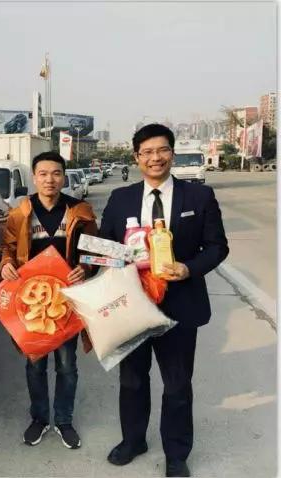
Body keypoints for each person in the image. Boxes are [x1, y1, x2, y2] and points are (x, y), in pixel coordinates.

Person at [99, 123, 229, 477]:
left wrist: (188, 269)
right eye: (147, 152)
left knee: (177, 383)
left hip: (180, 305)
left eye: (162, 150)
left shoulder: (198, 197)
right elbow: (105, 245)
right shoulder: (120, 198)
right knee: (132, 380)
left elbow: (217, 247)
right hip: (133, 306)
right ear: (136, 157)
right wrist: (112, 261)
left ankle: (176, 453)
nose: (155, 158)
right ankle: (133, 440)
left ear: (172, 153)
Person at [0, 151, 98, 449]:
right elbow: (7, 248)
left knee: (67, 365)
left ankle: (64, 420)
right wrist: (5, 263)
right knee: (35, 366)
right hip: (32, 302)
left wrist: (86, 268)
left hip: (67, 301)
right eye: (43, 174)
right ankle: (39, 418)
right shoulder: (20, 212)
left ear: (64, 177)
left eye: (56, 173)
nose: (49, 179)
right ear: (34, 177)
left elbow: (94, 251)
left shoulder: (80, 211)